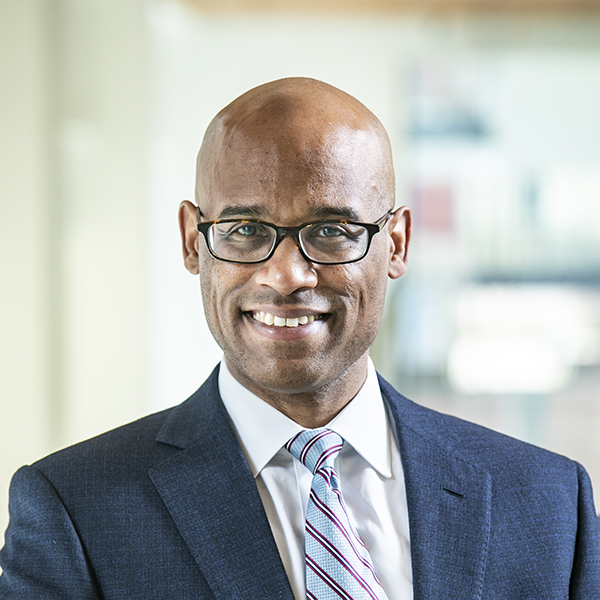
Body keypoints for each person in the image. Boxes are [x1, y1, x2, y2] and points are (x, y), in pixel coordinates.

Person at [0, 77, 598, 600]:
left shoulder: (549, 505)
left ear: (397, 244)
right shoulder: (75, 511)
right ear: (191, 240)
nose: (286, 275)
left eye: (333, 229)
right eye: (244, 229)